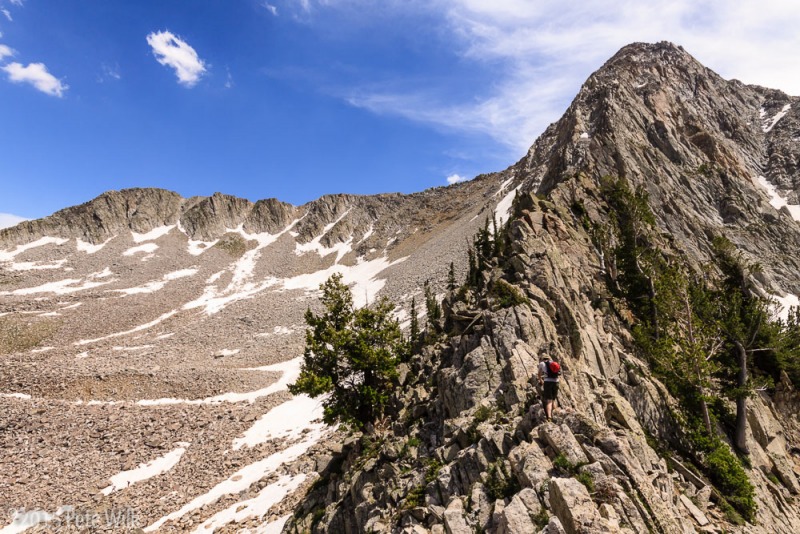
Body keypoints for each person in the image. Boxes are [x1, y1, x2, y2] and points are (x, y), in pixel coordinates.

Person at [538, 352, 561, 422]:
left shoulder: (542, 363)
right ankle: (557, 413)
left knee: (549, 401)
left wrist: (541, 380)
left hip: (548, 382)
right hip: (556, 382)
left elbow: (539, 374)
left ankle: (549, 417)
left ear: (542, 358)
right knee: (553, 399)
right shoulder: (554, 363)